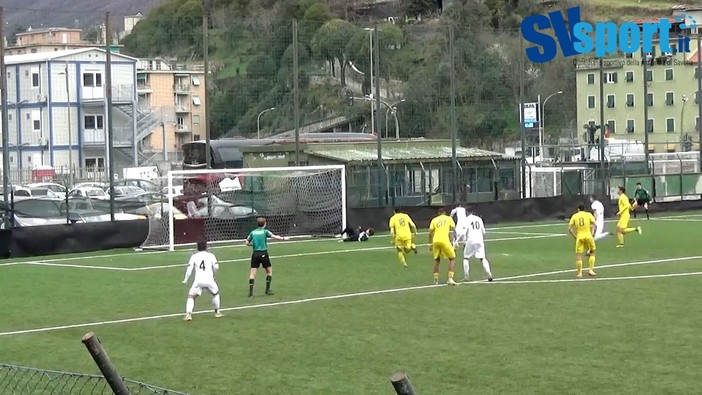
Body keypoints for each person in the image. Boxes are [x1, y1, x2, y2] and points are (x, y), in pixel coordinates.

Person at [246, 217, 289, 298]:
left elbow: (247, 243)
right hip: (263, 253)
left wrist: (254, 244)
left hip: (255, 254)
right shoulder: (265, 231)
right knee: (269, 272)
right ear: (265, 223)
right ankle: (267, 290)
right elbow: (275, 237)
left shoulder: (253, 232)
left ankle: (250, 292)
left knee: (252, 274)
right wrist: (284, 238)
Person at [182, 240, 222, 321]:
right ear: (206, 247)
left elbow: (189, 269)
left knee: (191, 296)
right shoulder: (211, 255)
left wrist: (185, 280)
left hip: (198, 281)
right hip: (209, 280)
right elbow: (216, 267)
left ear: (197, 247)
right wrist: (214, 272)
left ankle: (188, 314)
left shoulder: (194, 256)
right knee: (215, 294)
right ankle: (217, 312)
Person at [460, 208, 493, 282]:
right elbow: (483, 231)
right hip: (480, 240)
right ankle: (489, 274)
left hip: (471, 240)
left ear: (467, 212)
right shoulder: (479, 219)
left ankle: (466, 276)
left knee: (466, 257)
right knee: (482, 258)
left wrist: (457, 240)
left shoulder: (466, 219)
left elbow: (463, 232)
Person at [429, 208, 457, 285]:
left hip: (435, 241)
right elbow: (454, 229)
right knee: (452, 258)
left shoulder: (434, 220)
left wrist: (430, 243)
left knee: (436, 259)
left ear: (438, 213)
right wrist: (455, 240)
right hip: (444, 240)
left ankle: (435, 280)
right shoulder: (448, 218)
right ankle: (450, 278)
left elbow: (430, 232)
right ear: (444, 212)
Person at [568, 204, 597, 278]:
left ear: (578, 209)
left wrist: (575, 236)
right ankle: (591, 270)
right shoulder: (589, 215)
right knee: (592, 252)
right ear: (585, 209)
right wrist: (593, 234)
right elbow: (595, 225)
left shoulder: (575, 216)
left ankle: (580, 273)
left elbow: (569, 228)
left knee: (579, 255)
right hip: (588, 236)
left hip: (579, 237)